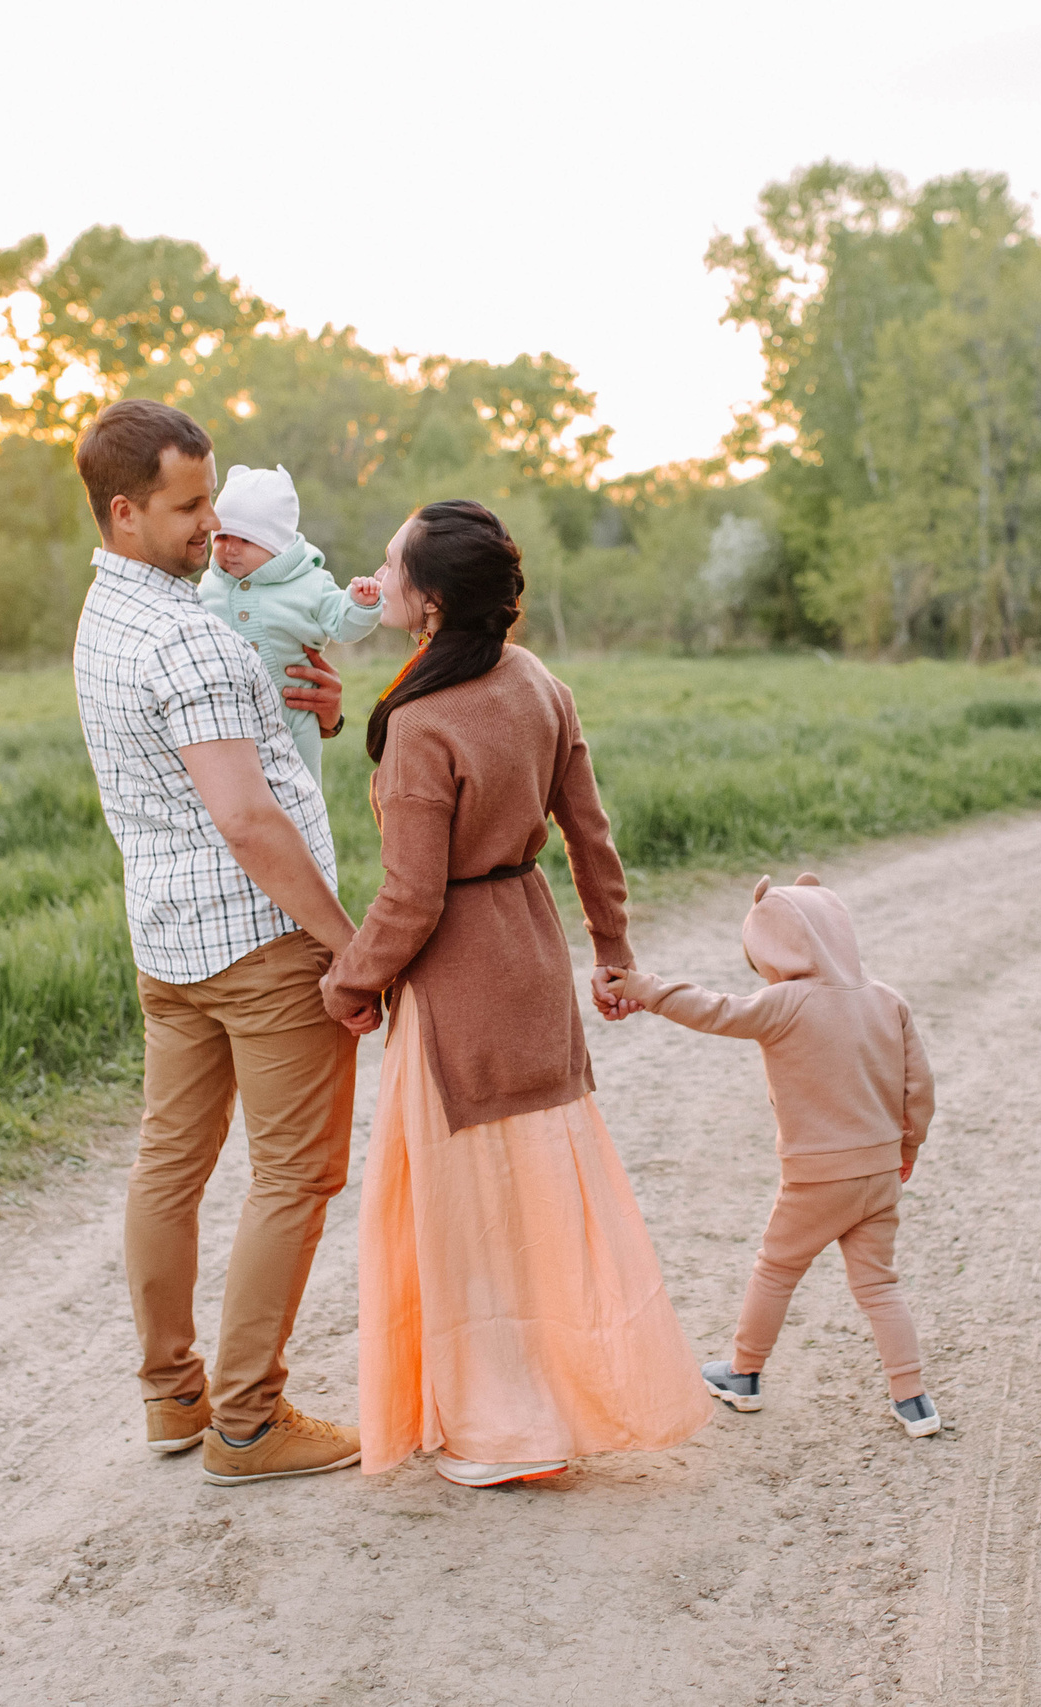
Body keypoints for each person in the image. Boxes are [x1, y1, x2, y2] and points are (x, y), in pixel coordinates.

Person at [319, 499, 711, 1489]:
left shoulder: (419, 722)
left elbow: (408, 899)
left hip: (457, 985)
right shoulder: (538, 684)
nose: (379, 568)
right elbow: (591, 834)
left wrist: (350, 980)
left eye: (391, 557)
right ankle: (545, 1398)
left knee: (466, 1219)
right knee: (531, 1204)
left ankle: (500, 1428)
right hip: (531, 959)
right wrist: (611, 954)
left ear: (430, 601)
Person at [69, 397, 372, 1486]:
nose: (211, 524)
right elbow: (247, 817)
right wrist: (347, 944)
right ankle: (248, 1422)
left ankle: (172, 1398)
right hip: (260, 941)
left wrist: (321, 719)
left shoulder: (109, 619)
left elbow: (236, 755)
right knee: (295, 1174)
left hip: (165, 937)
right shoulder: (191, 638)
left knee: (170, 1165)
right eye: (187, 506)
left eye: (209, 500)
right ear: (123, 512)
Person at [601, 874, 943, 1438]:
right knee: (880, 1285)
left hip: (817, 1178)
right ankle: (913, 1400)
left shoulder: (786, 1003)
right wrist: (909, 1147)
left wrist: (646, 987)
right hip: (881, 1172)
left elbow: (714, 1010)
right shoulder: (888, 1001)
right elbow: (919, 1089)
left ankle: (743, 1374)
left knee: (777, 1268)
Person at [206, 464, 384, 782]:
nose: (230, 549)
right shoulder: (209, 585)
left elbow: (342, 625)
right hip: (224, 723)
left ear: (277, 545)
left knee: (299, 795)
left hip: (293, 719)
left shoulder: (310, 583)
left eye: (245, 540)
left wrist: (360, 604)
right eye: (222, 536)